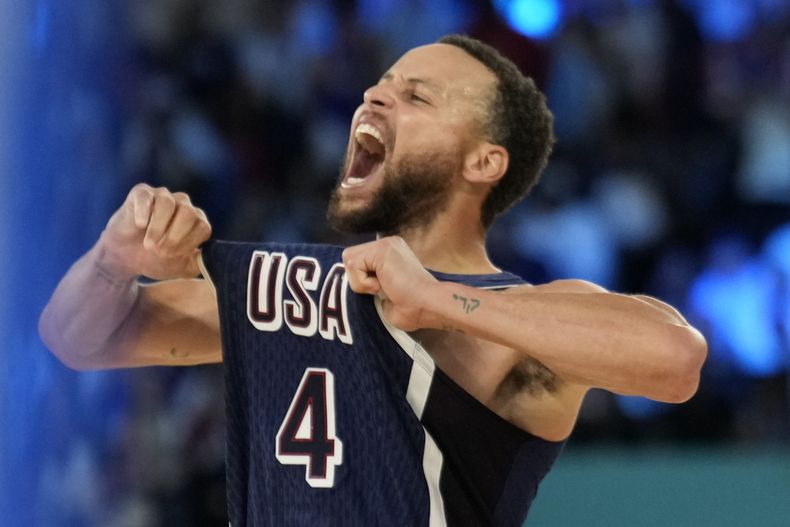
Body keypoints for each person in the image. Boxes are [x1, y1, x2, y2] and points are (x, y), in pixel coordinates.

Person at [39, 35, 707, 526]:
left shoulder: (513, 316)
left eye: (415, 95)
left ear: (484, 160)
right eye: (380, 83)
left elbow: (676, 359)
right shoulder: (294, 289)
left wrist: (439, 300)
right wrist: (113, 257)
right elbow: (76, 337)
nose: (375, 94)